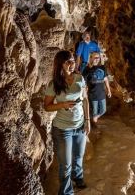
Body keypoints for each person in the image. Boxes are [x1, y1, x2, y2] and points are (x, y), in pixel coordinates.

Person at [44, 50, 91, 195]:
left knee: (78, 156)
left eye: (72, 61)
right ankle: (66, 192)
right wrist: (62, 105)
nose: (71, 64)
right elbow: (47, 106)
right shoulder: (54, 84)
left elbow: (85, 100)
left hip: (80, 125)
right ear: (60, 65)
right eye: (67, 62)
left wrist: (87, 121)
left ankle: (78, 177)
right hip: (63, 128)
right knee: (65, 164)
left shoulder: (80, 78)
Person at [82, 52, 112, 125]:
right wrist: (84, 93)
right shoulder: (87, 69)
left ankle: (95, 119)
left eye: (98, 57)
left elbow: (105, 79)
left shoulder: (102, 67)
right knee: (94, 111)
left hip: (101, 93)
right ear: (91, 58)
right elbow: (84, 83)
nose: (96, 59)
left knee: (103, 110)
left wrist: (109, 90)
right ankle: (91, 124)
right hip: (93, 94)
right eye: (95, 57)